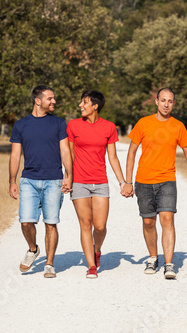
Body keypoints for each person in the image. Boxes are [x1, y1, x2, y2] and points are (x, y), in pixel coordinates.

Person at [122, 87, 187, 279]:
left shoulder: (178, 126)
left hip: (167, 180)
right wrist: (127, 181)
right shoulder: (143, 123)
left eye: (170, 101)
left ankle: (169, 263)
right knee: (149, 222)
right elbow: (132, 152)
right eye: (163, 100)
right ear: (156, 102)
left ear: (173, 104)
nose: (166, 104)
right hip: (143, 181)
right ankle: (153, 257)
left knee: (167, 220)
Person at [9, 85, 73, 279]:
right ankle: (33, 248)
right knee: (26, 221)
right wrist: (12, 181)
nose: (53, 101)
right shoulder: (21, 125)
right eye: (50, 99)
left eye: (53, 99)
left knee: (51, 223)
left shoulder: (58, 123)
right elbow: (15, 155)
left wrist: (69, 175)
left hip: (53, 180)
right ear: (38, 101)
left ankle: (49, 264)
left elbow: (65, 150)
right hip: (29, 180)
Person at [67, 90, 126, 279]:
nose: (81, 106)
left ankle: (97, 248)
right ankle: (91, 266)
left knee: (99, 226)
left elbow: (113, 157)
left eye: (84, 102)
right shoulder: (73, 125)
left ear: (95, 106)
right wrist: (68, 177)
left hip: (100, 182)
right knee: (85, 224)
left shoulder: (108, 127)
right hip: (79, 182)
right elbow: (69, 155)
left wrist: (123, 182)